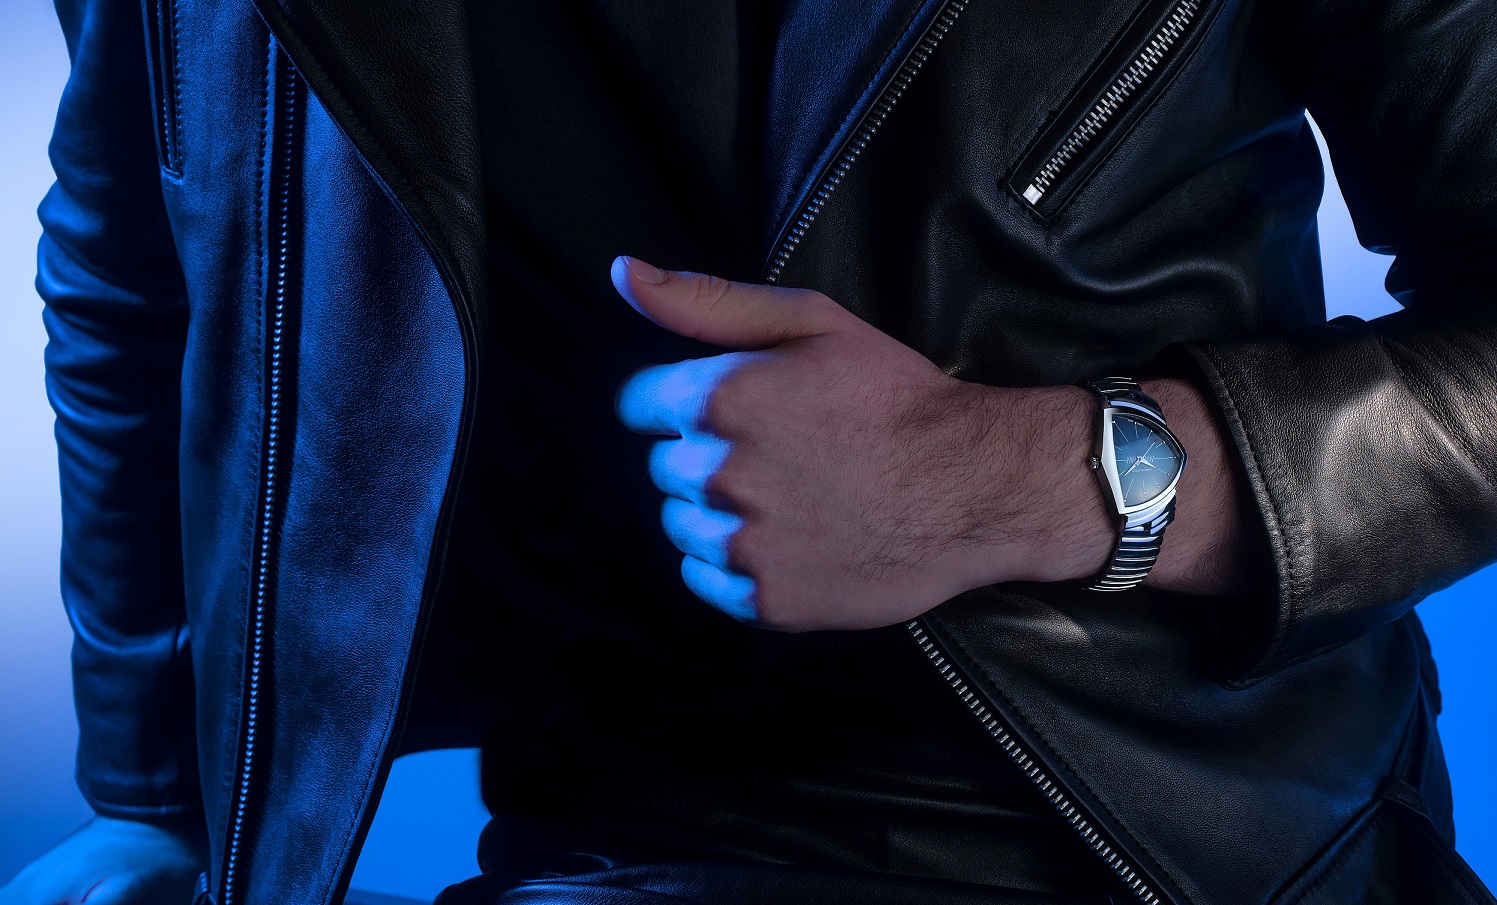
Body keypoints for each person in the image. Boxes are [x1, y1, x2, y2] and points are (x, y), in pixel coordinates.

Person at [2, 0, 1495, 903]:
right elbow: (133, 245)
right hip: (596, 828)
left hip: (1168, 822)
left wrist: (1023, 479)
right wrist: (154, 791)